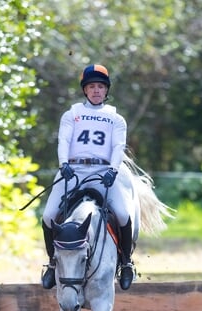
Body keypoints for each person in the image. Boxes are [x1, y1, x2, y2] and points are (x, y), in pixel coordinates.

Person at [41, 63, 137, 291]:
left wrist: (113, 170)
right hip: (73, 170)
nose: (96, 90)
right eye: (92, 86)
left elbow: (118, 146)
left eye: (100, 87)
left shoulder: (116, 118)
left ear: (106, 90)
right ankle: (53, 264)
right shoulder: (72, 114)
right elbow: (63, 141)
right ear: (85, 90)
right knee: (48, 216)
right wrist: (63, 164)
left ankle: (125, 263)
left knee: (123, 214)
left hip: (103, 172)